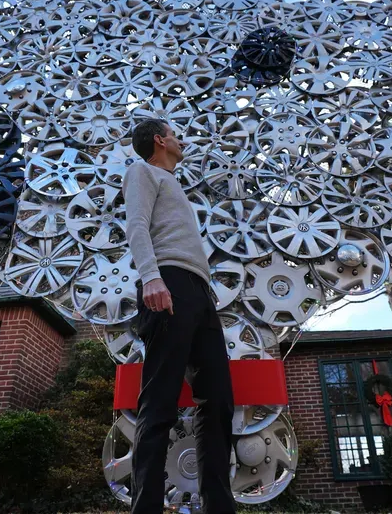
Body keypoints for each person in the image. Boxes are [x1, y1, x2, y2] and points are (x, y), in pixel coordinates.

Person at [121, 118, 236, 514]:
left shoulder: (173, 184)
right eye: (175, 134)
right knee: (160, 400)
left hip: (199, 292)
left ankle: (219, 507)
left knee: (218, 400)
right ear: (160, 140)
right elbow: (136, 225)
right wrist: (151, 277)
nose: (181, 140)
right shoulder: (142, 171)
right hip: (166, 284)